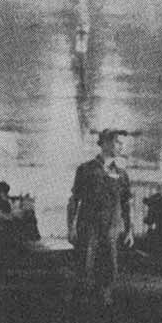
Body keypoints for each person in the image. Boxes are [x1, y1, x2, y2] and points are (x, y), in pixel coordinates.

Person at [67, 128, 134, 306]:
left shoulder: (121, 174)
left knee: (109, 265)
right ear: (104, 143)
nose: (121, 146)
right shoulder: (86, 169)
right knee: (85, 264)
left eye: (122, 143)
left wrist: (129, 230)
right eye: (117, 142)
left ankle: (105, 302)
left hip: (111, 227)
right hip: (88, 226)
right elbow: (75, 199)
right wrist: (71, 226)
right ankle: (81, 305)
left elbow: (126, 203)